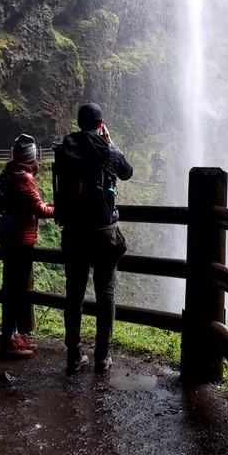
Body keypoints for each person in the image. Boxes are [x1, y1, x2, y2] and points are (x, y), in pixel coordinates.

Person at [57, 102, 134, 373]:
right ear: (101, 124)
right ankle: (102, 357)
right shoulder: (110, 150)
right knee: (106, 293)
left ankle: (74, 356)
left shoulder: (64, 149)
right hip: (104, 233)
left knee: (74, 295)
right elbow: (127, 172)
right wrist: (110, 144)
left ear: (79, 123)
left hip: (74, 231)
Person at [0, 134, 54, 360]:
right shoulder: (24, 179)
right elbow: (39, 209)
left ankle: (14, 335)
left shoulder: (9, 173)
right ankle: (9, 342)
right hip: (21, 240)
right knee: (15, 292)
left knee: (12, 290)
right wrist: (61, 209)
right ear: (31, 157)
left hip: (10, 239)